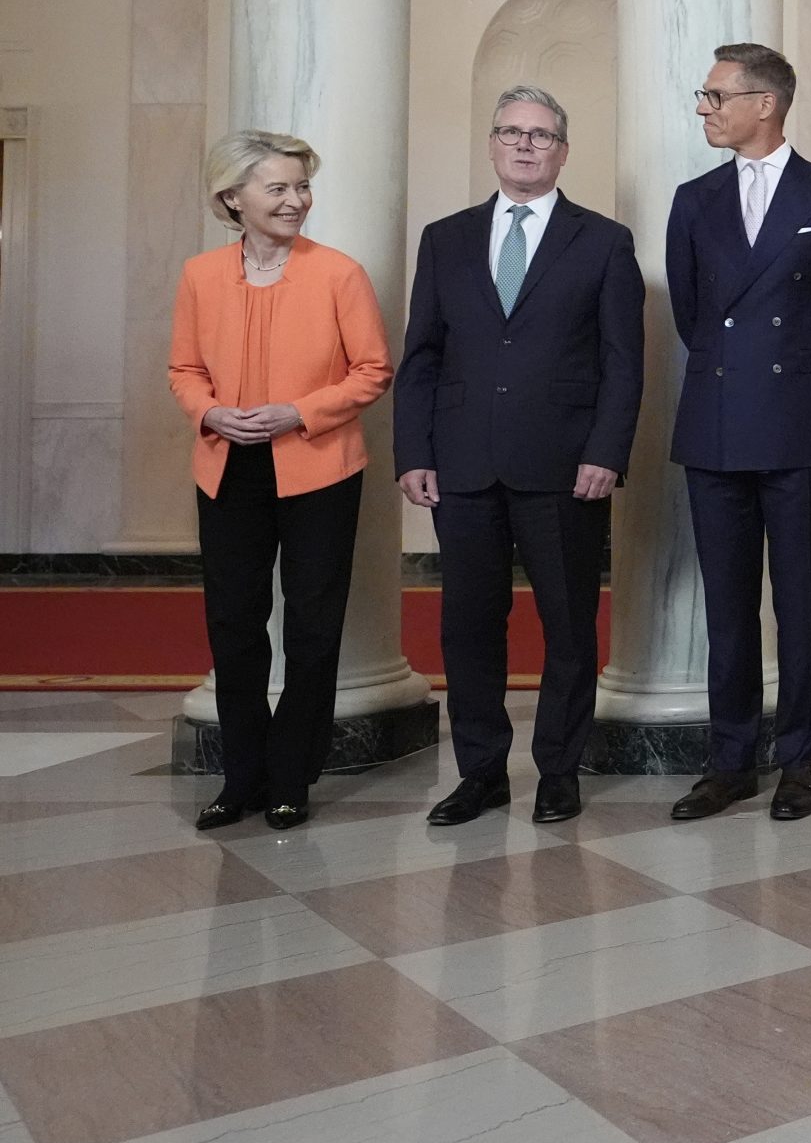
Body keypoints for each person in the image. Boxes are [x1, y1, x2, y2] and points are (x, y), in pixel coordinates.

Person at [396, 86, 642, 828]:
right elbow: (422, 355)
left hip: (566, 466)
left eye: (540, 135)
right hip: (462, 462)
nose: (525, 145)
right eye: (511, 132)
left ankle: (559, 771)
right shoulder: (445, 238)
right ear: (492, 145)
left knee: (568, 623)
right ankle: (480, 773)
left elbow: (623, 362)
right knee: (468, 625)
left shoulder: (603, 241)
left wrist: (606, 451)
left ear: (563, 151)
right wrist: (413, 451)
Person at [664, 43, 811, 822]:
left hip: (799, 426)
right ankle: (730, 761)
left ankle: (798, 761)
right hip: (716, 423)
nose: (704, 107)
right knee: (726, 607)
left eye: (716, 95)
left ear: (766, 104)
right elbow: (691, 313)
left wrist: (807, 380)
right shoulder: (694, 199)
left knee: (799, 604)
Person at [168, 131, 391, 832]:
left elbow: (373, 369)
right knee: (233, 623)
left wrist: (299, 411)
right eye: (279, 188)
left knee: (313, 625)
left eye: (302, 186)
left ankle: (291, 776)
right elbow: (184, 369)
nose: (297, 200)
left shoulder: (340, 274)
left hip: (319, 467)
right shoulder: (200, 275)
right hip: (227, 467)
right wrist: (210, 412)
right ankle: (242, 776)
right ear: (233, 197)